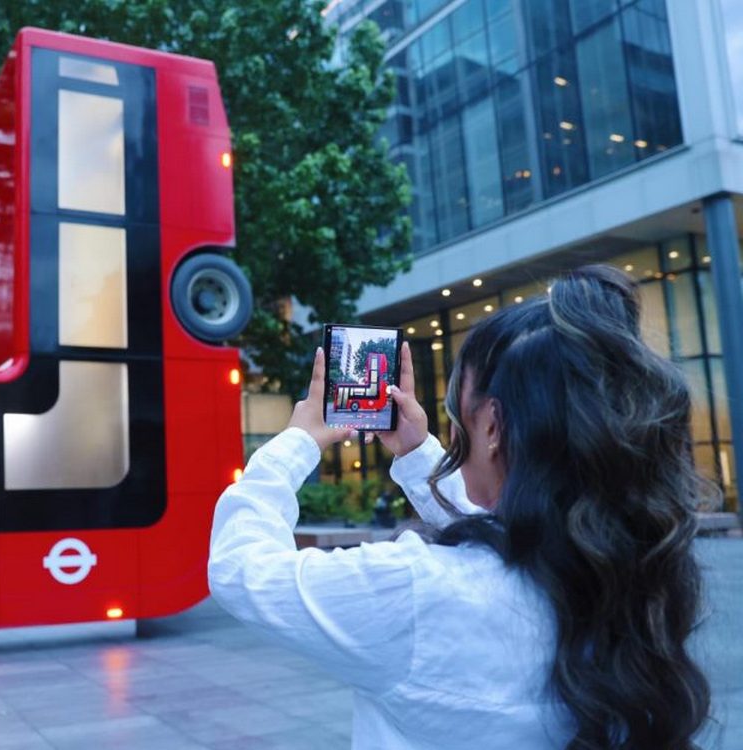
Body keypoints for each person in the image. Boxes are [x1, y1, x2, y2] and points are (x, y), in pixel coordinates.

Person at [209, 266, 711, 749]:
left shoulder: (415, 589)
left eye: (457, 416)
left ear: (492, 426)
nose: (452, 434)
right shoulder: (628, 572)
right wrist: (416, 455)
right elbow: (501, 539)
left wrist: (298, 441)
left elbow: (240, 570)